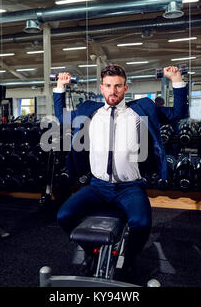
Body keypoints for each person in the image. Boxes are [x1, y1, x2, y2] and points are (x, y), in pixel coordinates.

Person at [52, 64, 188, 279]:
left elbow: (178, 113)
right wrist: (60, 86)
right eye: (108, 86)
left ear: (125, 88)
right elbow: (61, 118)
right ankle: (92, 252)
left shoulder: (142, 108)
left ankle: (131, 257)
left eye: (117, 86)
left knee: (141, 223)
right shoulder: (89, 109)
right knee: (64, 216)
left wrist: (176, 79)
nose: (112, 91)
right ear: (101, 88)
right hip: (97, 186)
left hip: (130, 187)